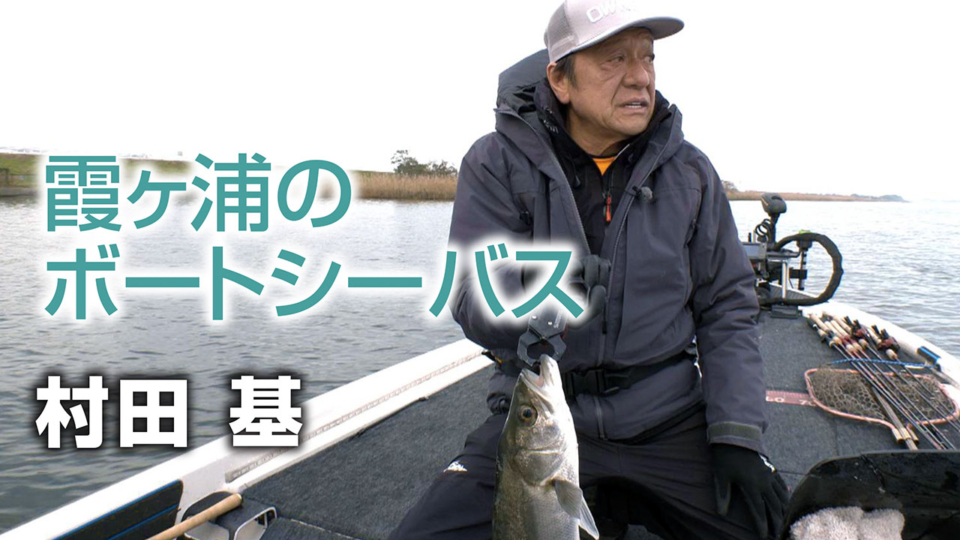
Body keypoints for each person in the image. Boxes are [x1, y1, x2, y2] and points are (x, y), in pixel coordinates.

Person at [390, 2, 788, 539]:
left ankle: (623, 499)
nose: (640, 77)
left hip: (666, 417)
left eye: (647, 57)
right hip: (541, 415)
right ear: (560, 79)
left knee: (769, 528)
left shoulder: (691, 171)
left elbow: (727, 307)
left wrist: (736, 436)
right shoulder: (495, 163)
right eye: (614, 59)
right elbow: (469, 298)